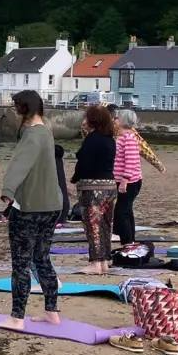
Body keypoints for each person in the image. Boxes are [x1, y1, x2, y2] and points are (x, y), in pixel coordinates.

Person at [0, 90, 62, 331]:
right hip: (52, 205)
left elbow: (20, 164)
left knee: (21, 263)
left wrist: (8, 190)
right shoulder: (46, 132)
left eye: (16, 108)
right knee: (42, 258)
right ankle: (52, 311)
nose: (14, 112)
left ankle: (16, 317)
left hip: (30, 208)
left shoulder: (33, 135)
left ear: (24, 109)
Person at [71, 106, 118, 275]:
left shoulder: (92, 139)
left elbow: (84, 163)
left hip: (93, 188)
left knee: (93, 226)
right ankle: (105, 260)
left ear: (93, 120)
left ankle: (96, 262)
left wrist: (74, 178)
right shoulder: (110, 139)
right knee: (106, 224)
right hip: (110, 186)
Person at [113, 109, 158, 245]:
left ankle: (127, 242)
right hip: (123, 181)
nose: (114, 120)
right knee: (127, 210)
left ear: (122, 121)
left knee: (121, 213)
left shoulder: (129, 138)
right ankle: (130, 240)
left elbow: (131, 161)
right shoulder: (121, 137)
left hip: (130, 182)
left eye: (116, 118)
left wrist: (124, 181)